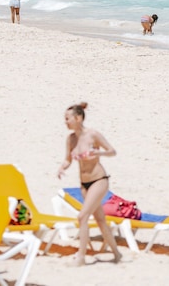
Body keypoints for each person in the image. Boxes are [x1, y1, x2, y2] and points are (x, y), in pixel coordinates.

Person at [57, 102, 122, 266]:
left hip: (99, 180)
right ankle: (117, 253)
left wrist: (98, 153)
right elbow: (68, 159)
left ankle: (81, 257)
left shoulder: (93, 135)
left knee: (82, 216)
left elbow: (112, 151)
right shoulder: (71, 139)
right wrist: (62, 168)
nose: (65, 122)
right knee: (100, 220)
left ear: (78, 118)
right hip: (84, 184)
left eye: (68, 118)